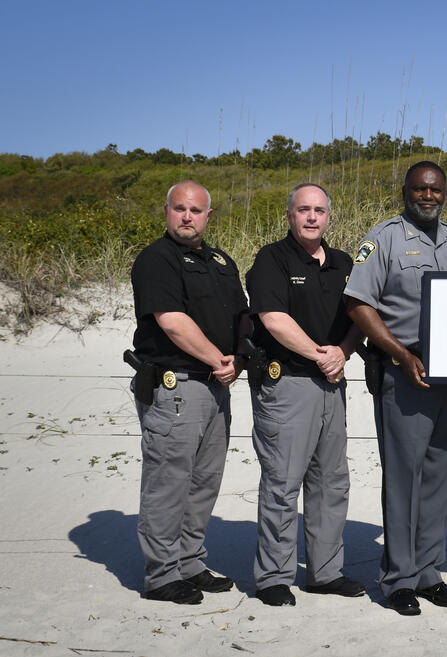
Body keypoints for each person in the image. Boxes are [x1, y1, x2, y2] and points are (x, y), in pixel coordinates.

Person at [344, 161, 447, 616]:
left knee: (441, 474)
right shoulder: (382, 238)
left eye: (436, 189)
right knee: (404, 477)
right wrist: (402, 355)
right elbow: (359, 304)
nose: (428, 196)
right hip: (405, 371)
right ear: (405, 191)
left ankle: (429, 573)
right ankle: (399, 579)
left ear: (445, 193)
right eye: (420, 189)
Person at [245, 183, 364, 607]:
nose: (311, 217)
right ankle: (274, 576)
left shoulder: (343, 263)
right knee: (282, 481)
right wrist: (321, 355)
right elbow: (273, 319)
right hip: (289, 385)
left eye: (319, 210)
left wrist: (343, 352)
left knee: (331, 482)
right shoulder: (271, 259)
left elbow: (362, 314)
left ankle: (325, 572)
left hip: (333, 383)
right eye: (303, 210)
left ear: (329, 216)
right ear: (289, 215)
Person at [129, 180, 248, 604]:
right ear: (166, 210)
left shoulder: (220, 261)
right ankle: (161, 574)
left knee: (203, 481)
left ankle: (190, 561)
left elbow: (241, 317)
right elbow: (172, 321)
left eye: (195, 210)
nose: (186, 216)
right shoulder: (156, 259)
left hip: (218, 384)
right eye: (179, 208)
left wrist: (240, 358)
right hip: (176, 385)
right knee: (169, 480)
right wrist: (219, 360)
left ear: (208, 216)